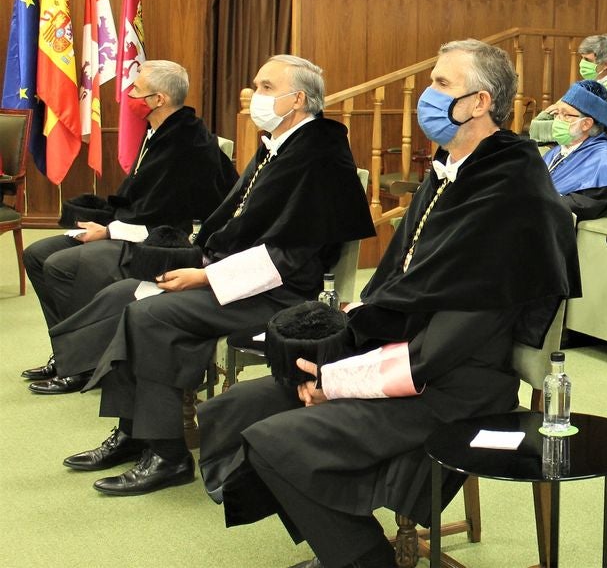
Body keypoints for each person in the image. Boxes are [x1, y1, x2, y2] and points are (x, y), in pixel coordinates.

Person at [197, 40, 579, 568]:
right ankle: (344, 542)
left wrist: (338, 381)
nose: (427, 94)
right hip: (410, 352)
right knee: (233, 409)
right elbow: (404, 284)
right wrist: (351, 337)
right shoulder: (456, 168)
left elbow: (448, 343)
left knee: (272, 440)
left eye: (443, 84)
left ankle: (362, 557)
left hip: (452, 383)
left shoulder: (511, 196)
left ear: (480, 102)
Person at [59, 54, 376, 497]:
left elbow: (290, 259)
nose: (255, 96)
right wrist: (200, 263)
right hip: (234, 274)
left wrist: (204, 277)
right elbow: (233, 224)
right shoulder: (279, 144)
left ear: (297, 98)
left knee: (151, 317)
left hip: (280, 293)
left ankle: (167, 455)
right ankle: (132, 431)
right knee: (121, 297)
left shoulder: (320, 156)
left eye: (266, 87)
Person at [22, 60, 239, 394]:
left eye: (137, 89)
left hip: (160, 242)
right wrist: (107, 223)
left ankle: (83, 364)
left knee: (62, 265)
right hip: (134, 228)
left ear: (159, 99)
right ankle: (67, 351)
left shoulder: (186, 144)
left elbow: (164, 216)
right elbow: (140, 199)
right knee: (37, 254)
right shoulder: (159, 130)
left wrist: (108, 231)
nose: (129, 95)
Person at [542, 79, 607, 221]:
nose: (558, 120)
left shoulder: (603, 156)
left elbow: (586, 205)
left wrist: (538, 202)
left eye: (566, 115)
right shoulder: (555, 152)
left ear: (586, 123)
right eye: (557, 113)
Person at [530, 33, 607, 138]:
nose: (582, 63)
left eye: (587, 60)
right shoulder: (583, 88)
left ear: (605, 64)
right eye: (582, 58)